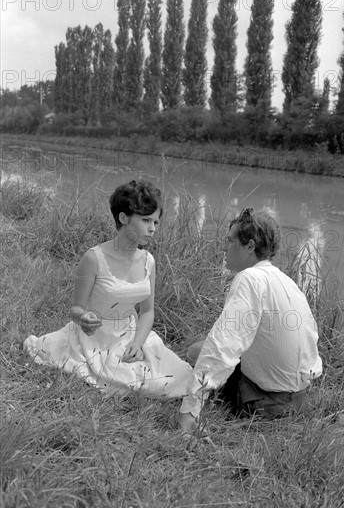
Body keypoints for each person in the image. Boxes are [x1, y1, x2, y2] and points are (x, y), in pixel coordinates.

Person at [24, 179, 193, 399]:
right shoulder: (94, 258)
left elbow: (148, 312)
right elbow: (75, 310)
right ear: (123, 218)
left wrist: (137, 343)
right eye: (145, 220)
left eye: (156, 222)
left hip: (130, 334)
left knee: (178, 379)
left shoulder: (148, 261)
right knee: (124, 383)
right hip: (94, 337)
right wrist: (84, 318)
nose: (152, 229)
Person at [179, 208, 322, 432]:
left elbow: (224, 345)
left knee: (195, 352)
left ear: (249, 246)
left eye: (229, 241)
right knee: (202, 347)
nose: (224, 247)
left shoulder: (249, 278)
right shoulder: (286, 281)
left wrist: (189, 410)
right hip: (298, 398)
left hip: (268, 405)